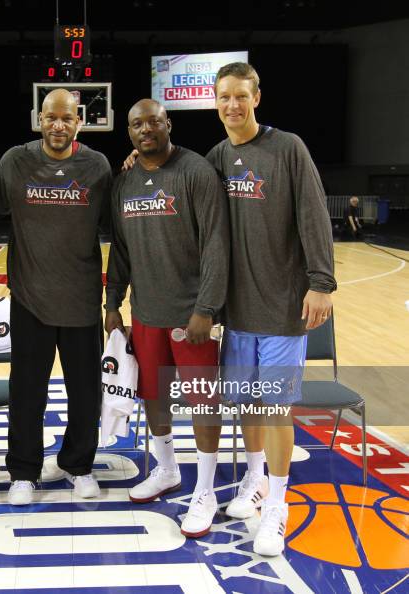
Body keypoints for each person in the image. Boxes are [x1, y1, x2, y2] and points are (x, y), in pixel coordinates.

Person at [207, 62, 336, 556]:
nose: (232, 105)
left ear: (256, 97)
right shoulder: (217, 157)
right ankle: (255, 480)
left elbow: (314, 214)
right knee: (247, 408)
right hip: (238, 311)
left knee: (275, 408)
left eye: (241, 96)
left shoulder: (288, 148)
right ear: (215, 102)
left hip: (283, 306)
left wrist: (321, 282)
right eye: (224, 97)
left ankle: (278, 506)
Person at [105, 98, 230, 538]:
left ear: (167, 124)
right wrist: (112, 302)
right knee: (154, 397)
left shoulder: (196, 172)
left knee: (202, 402)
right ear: (130, 131)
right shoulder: (124, 182)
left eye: (153, 121)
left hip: (192, 314)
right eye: (136, 123)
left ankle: (207, 491)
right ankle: (168, 469)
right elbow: (119, 250)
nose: (145, 130)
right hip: (146, 313)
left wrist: (206, 308)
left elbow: (217, 243)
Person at [0, 89, 112, 505]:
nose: (59, 126)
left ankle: (79, 466)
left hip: (81, 299)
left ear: (79, 122)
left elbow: (120, 214)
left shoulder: (96, 166)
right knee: (26, 392)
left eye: (67, 119)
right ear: (39, 118)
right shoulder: (15, 161)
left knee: (85, 392)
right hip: (30, 297)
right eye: (51, 118)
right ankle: (23, 472)